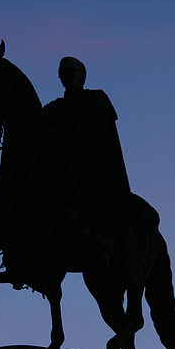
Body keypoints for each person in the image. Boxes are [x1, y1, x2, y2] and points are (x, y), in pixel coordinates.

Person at [41, 56, 131, 268]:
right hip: (59, 162)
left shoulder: (96, 98)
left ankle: (89, 232)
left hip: (93, 164)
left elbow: (100, 126)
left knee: (69, 173)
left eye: (72, 70)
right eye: (64, 71)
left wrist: (65, 132)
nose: (68, 74)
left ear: (82, 74)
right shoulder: (53, 109)